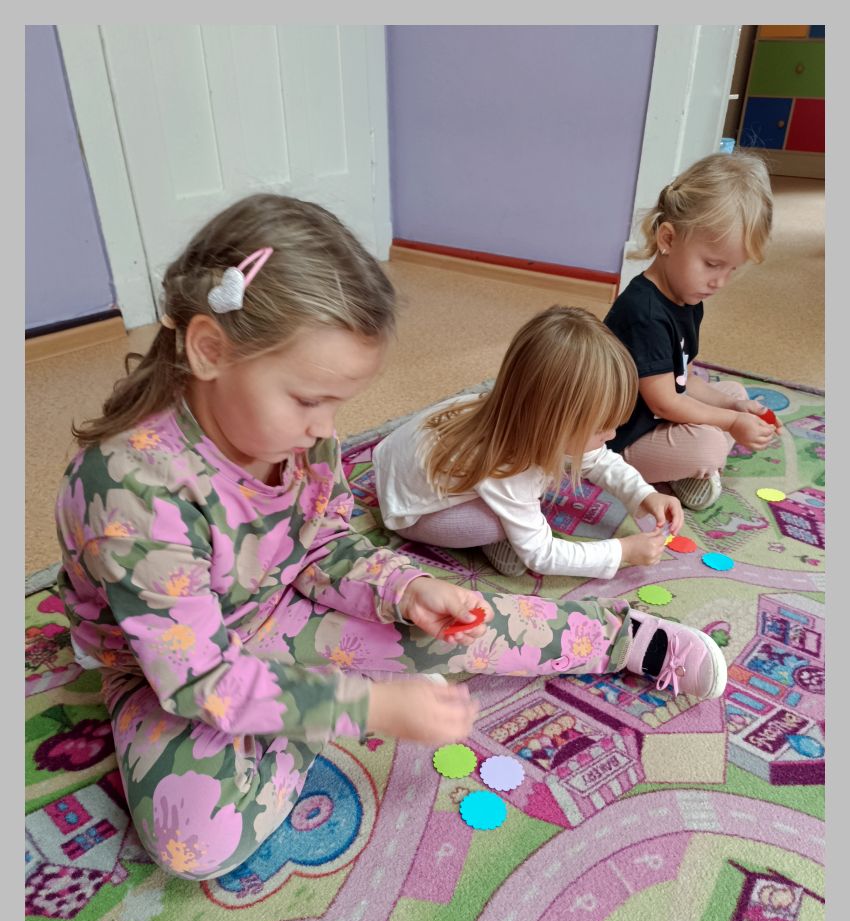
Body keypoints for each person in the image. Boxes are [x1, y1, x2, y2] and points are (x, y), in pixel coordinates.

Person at [55, 194, 727, 883]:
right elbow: (197, 679)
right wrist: (361, 705)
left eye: (336, 404)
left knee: (463, 622)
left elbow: (323, 547)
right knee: (194, 843)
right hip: (168, 669)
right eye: (308, 399)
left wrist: (406, 587)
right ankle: (307, 704)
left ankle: (627, 639)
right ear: (209, 350)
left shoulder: (301, 437)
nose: (326, 428)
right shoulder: (133, 488)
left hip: (275, 608)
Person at [373, 305, 683, 579]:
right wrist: (622, 551)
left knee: (535, 488)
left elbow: (598, 458)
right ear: (553, 423)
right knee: (495, 524)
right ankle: (498, 539)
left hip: (402, 462)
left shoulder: (520, 417)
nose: (612, 436)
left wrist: (644, 494)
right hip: (409, 511)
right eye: (601, 428)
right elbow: (541, 554)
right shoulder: (509, 468)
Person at [604, 150, 779, 511]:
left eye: (731, 269)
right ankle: (645, 472)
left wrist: (733, 407)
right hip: (617, 438)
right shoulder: (644, 312)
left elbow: (682, 380)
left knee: (734, 392)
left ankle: (683, 465)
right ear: (668, 239)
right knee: (710, 445)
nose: (720, 282)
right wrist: (731, 421)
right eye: (712, 264)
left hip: (653, 418)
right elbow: (666, 401)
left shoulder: (687, 297)